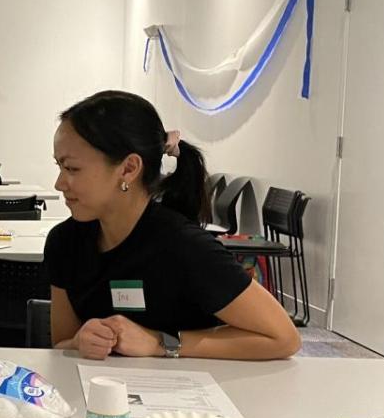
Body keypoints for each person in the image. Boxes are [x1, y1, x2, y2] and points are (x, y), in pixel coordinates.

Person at [46, 90, 301, 361]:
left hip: (189, 397)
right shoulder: (65, 242)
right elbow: (61, 343)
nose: (59, 184)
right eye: (59, 167)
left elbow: (283, 338)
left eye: (72, 169)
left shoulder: (183, 246)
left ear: (129, 169)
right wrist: (78, 342)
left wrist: (160, 343)